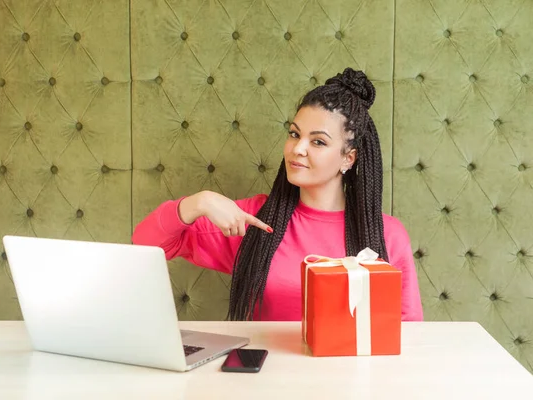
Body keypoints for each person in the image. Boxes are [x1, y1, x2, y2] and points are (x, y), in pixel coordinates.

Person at [132, 67, 423, 322]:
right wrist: (199, 202)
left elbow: (408, 331)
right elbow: (144, 243)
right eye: (295, 134)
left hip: (350, 382)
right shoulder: (254, 221)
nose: (297, 148)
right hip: (264, 378)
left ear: (348, 158)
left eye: (318, 141)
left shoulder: (388, 235)